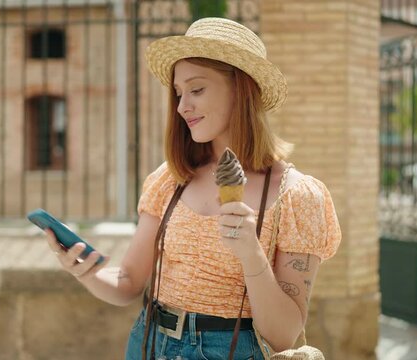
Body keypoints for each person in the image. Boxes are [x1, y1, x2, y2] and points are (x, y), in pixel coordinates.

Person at [45, 17, 341, 360]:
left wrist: (250, 252)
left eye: (197, 89)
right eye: (179, 93)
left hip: (232, 351)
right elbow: (127, 283)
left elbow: (284, 335)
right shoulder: (169, 179)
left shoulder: (297, 196)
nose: (183, 107)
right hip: (150, 343)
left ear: (241, 89)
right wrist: (86, 272)